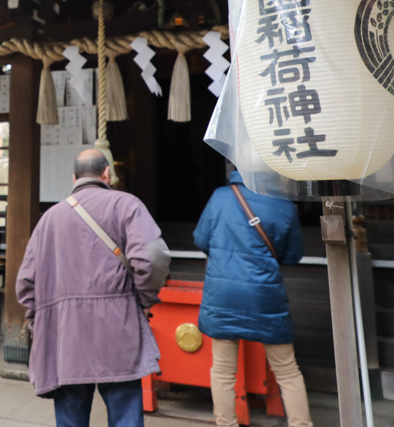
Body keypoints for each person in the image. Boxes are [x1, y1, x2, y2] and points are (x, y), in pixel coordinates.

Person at [16, 148, 171, 427]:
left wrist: (39, 324)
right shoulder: (127, 205)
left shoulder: (49, 219)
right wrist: (144, 299)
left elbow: (26, 283)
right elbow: (153, 257)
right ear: (107, 174)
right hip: (118, 329)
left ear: (73, 177)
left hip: (65, 336)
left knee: (70, 419)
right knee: (125, 415)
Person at [193, 168, 313, 427]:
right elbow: (292, 255)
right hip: (264, 295)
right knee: (287, 370)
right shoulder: (284, 206)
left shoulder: (220, 197)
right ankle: (301, 424)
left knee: (223, 370)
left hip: (223, 294)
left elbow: (201, 239)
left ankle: (226, 424)